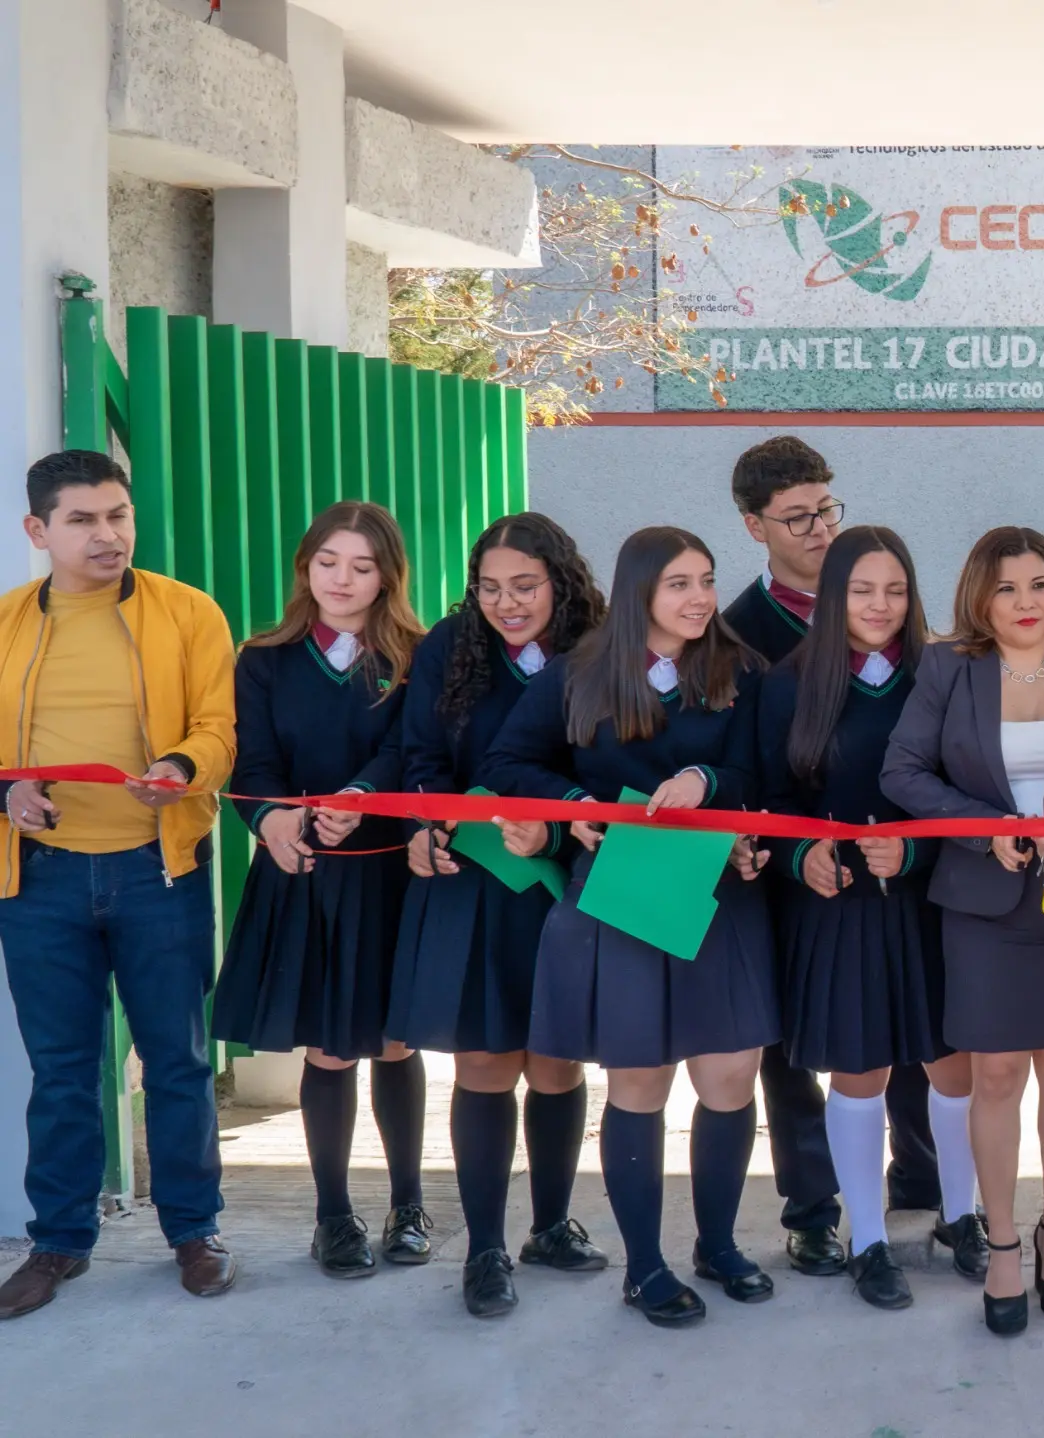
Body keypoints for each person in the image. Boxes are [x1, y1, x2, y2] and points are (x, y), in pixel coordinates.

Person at [483, 526, 777, 1329]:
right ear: (640, 590)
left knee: (729, 1077)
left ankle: (718, 1245)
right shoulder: (580, 672)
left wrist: (706, 779)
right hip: (620, 896)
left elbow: (763, 772)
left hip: (716, 895)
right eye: (680, 583)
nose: (700, 598)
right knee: (640, 1082)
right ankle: (644, 1267)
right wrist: (572, 806)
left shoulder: (741, 669)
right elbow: (507, 763)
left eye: (706, 580)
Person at [0, 451, 240, 1319]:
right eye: (83, 521)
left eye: (118, 516)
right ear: (38, 530)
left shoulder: (188, 612)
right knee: (63, 1069)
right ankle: (59, 1241)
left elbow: (219, 727)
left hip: (158, 870)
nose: (108, 535)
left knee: (177, 1059)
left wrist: (180, 766)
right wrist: (6, 792)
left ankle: (194, 1231)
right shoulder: (6, 623)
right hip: (39, 881)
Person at [881, 526, 1044, 1337]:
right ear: (979, 599)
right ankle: (1001, 1245)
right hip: (983, 904)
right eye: (1007, 588)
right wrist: (984, 825)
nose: (1026, 602)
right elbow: (902, 771)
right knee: (994, 1076)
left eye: (1039, 584)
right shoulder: (949, 667)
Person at [383, 513, 612, 1317]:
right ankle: (484, 1250)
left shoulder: (598, 651)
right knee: (484, 1063)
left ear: (560, 583)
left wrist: (559, 826)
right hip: (473, 882)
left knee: (556, 1063)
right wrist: (423, 827)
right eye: (490, 588)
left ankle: (550, 1226)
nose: (507, 603)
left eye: (524, 586)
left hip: (562, 882)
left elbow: (613, 764)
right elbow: (420, 759)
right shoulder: (449, 648)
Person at [756, 526, 986, 1311]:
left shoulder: (943, 675)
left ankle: (963, 1215)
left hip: (933, 902)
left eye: (894, 590)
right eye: (861, 590)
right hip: (839, 909)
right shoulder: (788, 685)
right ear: (833, 596)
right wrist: (801, 858)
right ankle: (867, 1238)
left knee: (954, 1067)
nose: (880, 605)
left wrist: (914, 852)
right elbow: (769, 802)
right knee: (860, 1071)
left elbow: (970, 793)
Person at [210, 501, 431, 1279]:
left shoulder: (416, 657)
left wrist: (363, 795)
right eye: (328, 562)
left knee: (397, 1040)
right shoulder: (264, 660)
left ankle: (409, 1206)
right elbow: (254, 764)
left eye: (362, 566)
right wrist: (270, 818)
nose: (342, 579)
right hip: (307, 870)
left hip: (390, 868)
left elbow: (413, 750)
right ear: (305, 566)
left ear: (388, 577)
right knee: (331, 1048)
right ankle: (334, 1216)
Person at [717, 434, 903, 1277]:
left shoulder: (885, 609)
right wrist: (787, 851)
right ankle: (812, 1208)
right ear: (754, 526)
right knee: (790, 1050)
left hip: (892, 867)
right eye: (797, 517)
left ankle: (919, 1179)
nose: (821, 528)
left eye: (827, 508)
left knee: (905, 1031)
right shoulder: (737, 635)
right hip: (784, 868)